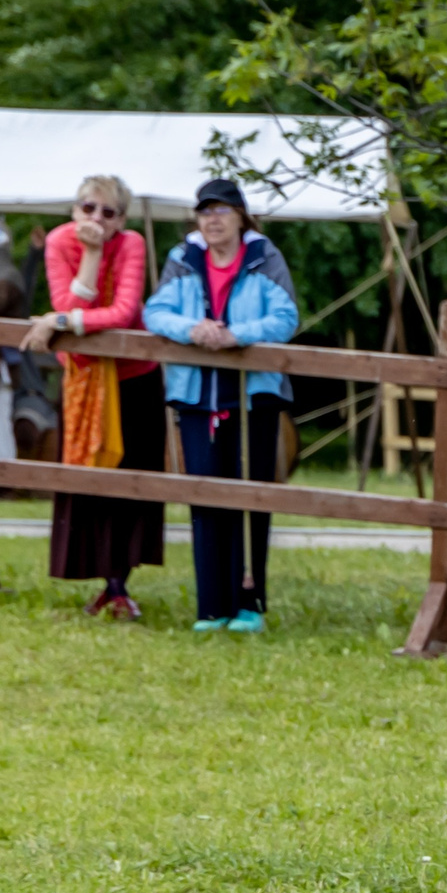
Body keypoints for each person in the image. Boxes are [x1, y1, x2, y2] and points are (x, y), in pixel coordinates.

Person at [143, 178, 301, 632]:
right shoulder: (183, 259)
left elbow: (285, 317)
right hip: (197, 394)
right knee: (204, 500)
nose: (213, 220)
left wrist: (236, 335)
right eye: (205, 211)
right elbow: (155, 312)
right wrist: (193, 329)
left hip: (254, 394)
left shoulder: (264, 258)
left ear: (240, 216)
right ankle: (210, 607)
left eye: (222, 211)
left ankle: (249, 604)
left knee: (252, 496)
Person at [21, 177, 163, 618]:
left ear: (122, 219)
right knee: (88, 479)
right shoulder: (61, 242)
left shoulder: (133, 244)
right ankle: (106, 582)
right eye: (88, 208)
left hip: (134, 379)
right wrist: (92, 258)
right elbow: (70, 300)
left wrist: (58, 320)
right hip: (83, 381)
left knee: (131, 479)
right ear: (74, 210)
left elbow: (124, 312)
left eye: (109, 213)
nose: (96, 219)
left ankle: (120, 583)